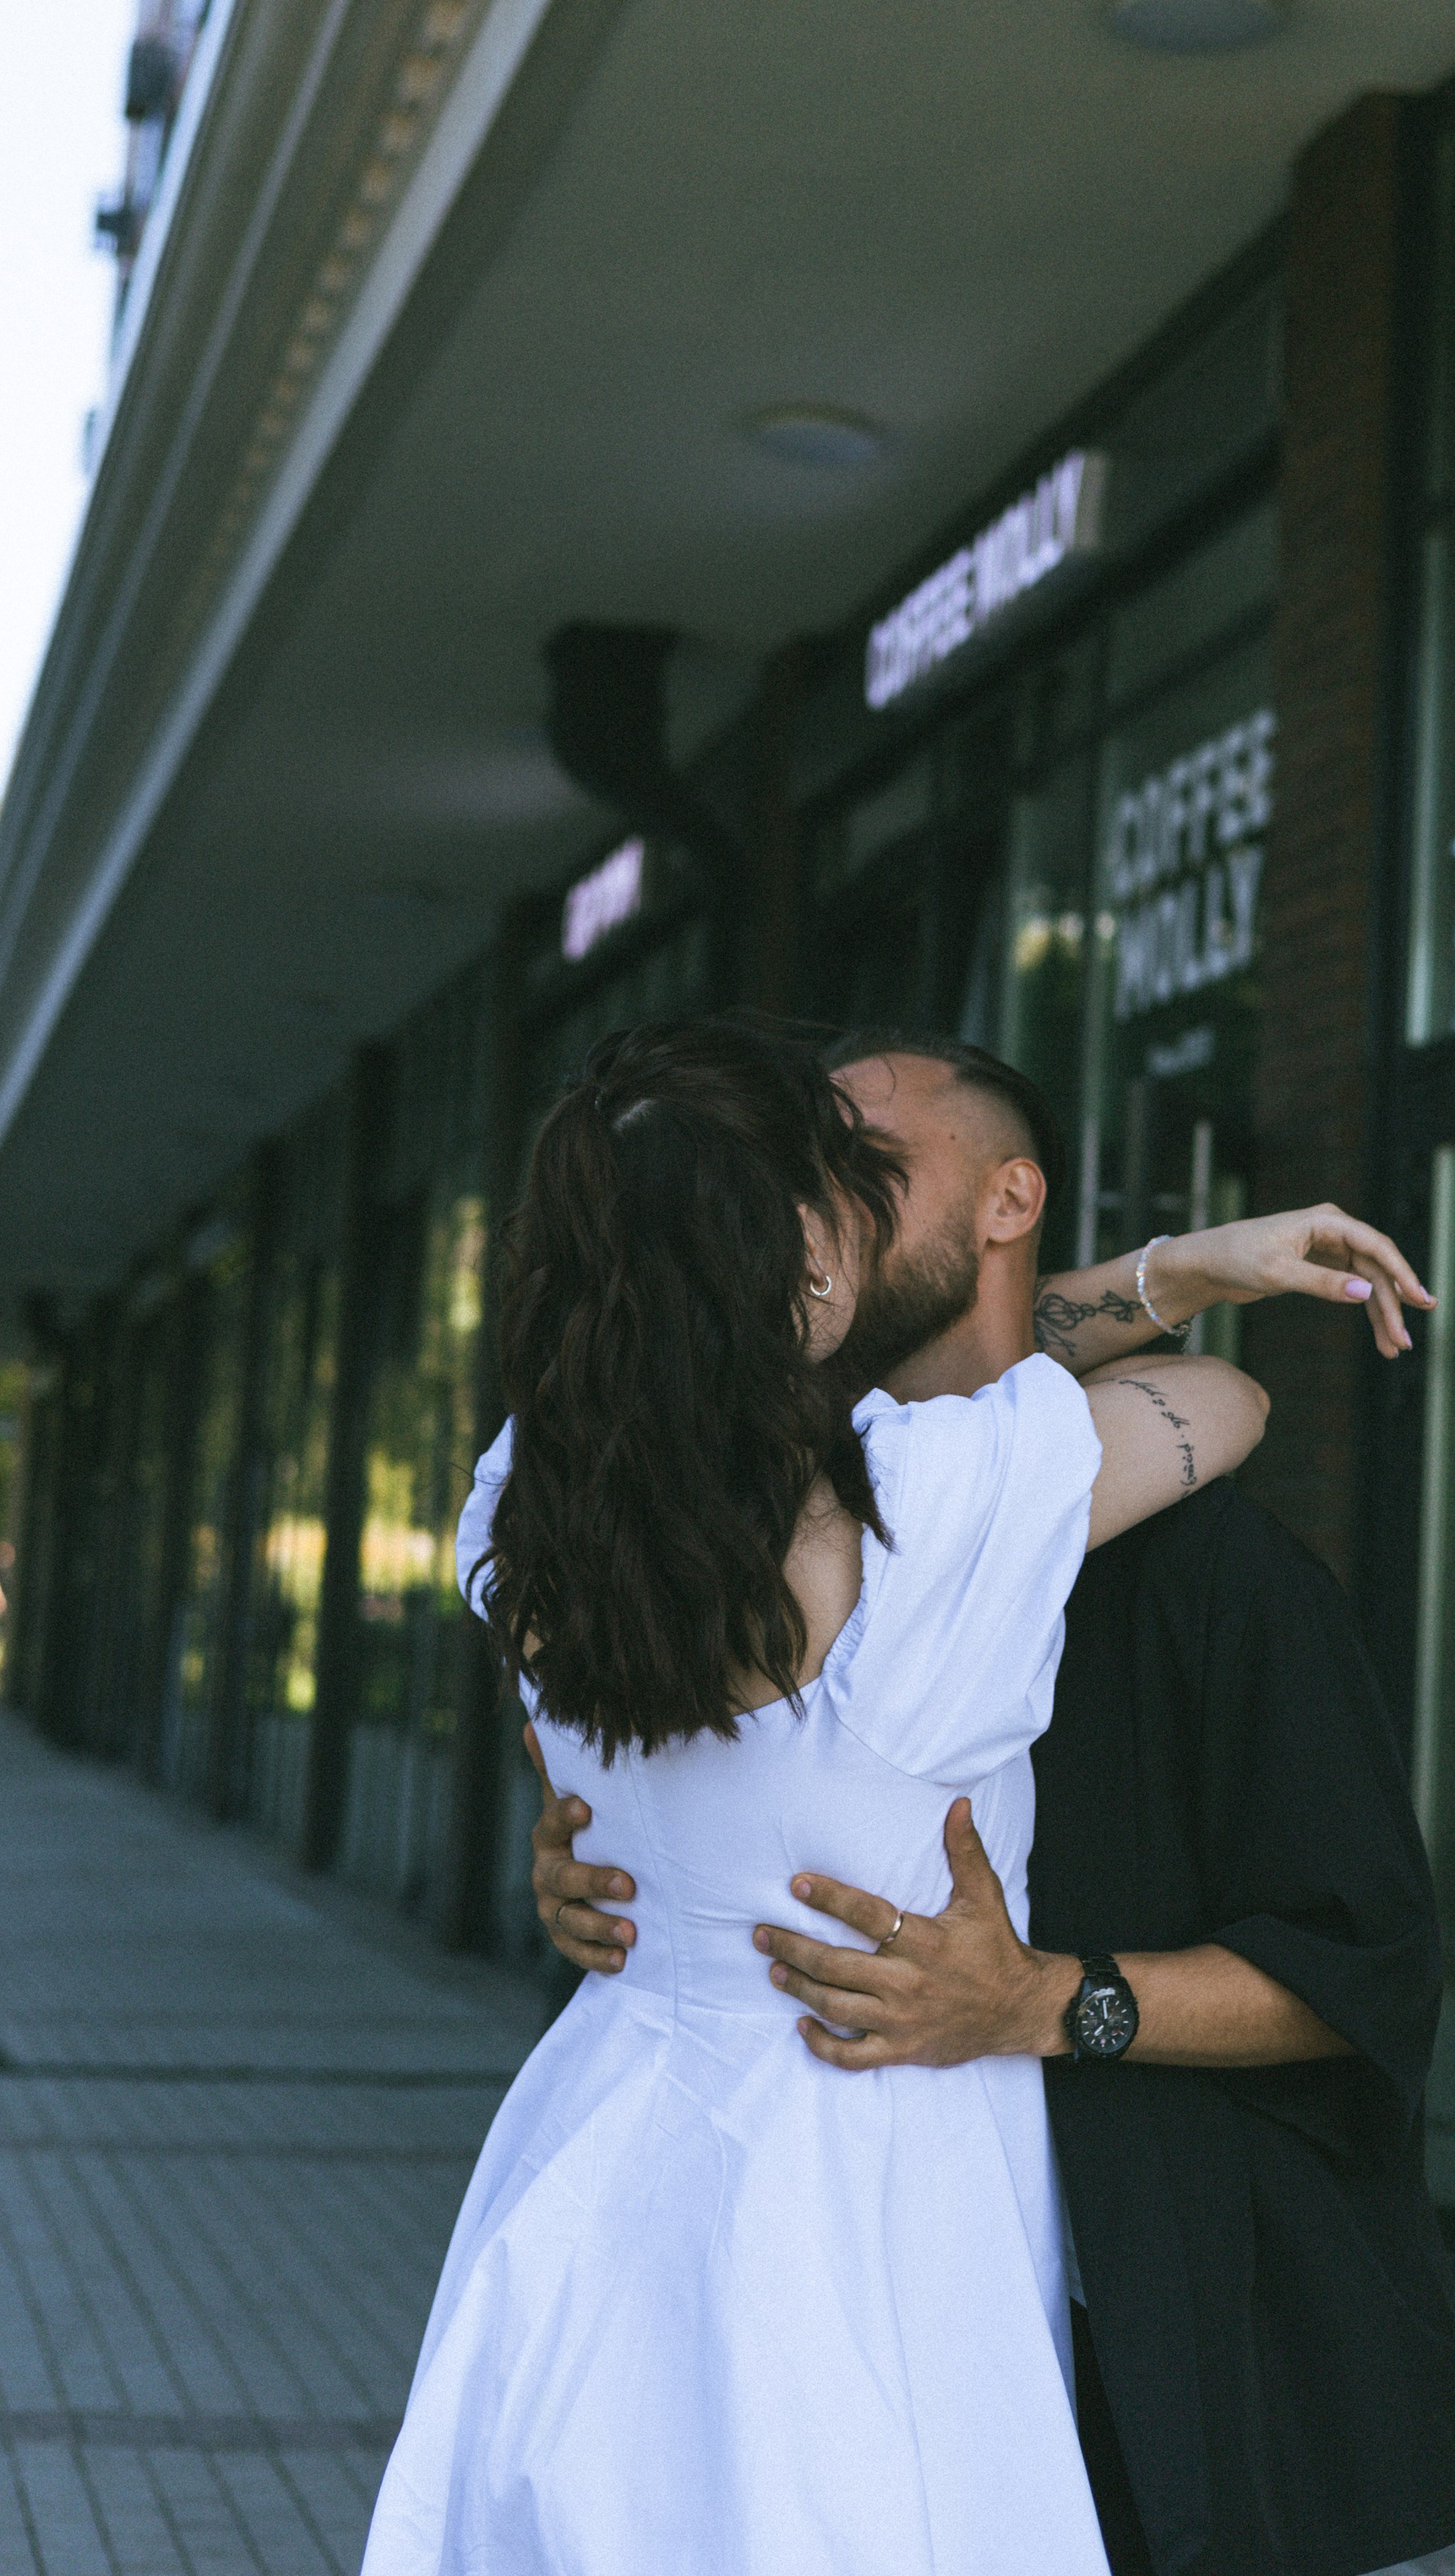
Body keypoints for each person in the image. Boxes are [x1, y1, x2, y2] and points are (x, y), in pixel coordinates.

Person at [534, 1033, 1455, 2576]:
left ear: (1010, 1201)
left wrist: (1053, 2002)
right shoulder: (737, 1518)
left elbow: (1363, 1967)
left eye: (863, 1170)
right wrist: (621, 1847)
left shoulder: (1209, 1575)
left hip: (1139, 2347)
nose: (817, 1201)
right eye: (798, 1179)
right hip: (821, 2302)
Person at [360, 1017, 1271, 2576]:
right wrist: (1174, 1275)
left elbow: (604, 1775)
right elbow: (1221, 1405)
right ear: (812, 1265)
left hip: (600, 2151)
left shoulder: (523, 1500)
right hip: (862, 2195)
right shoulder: (927, 1521)